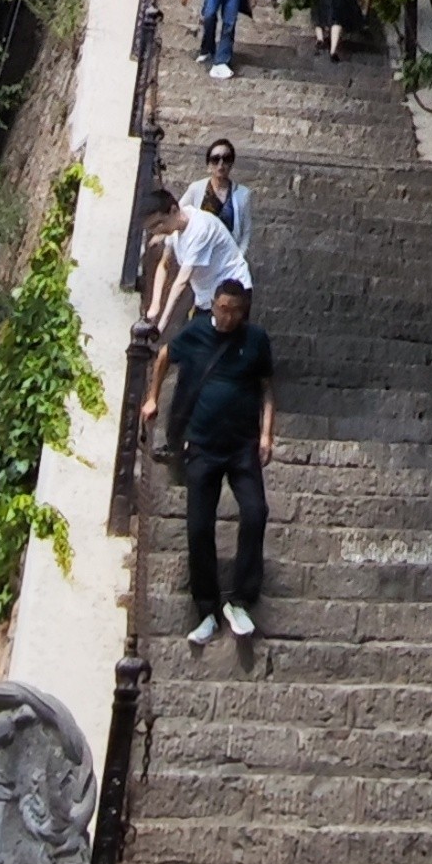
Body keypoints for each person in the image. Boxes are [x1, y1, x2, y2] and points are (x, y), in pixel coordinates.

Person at [176, 275, 276, 644]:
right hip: (202, 445)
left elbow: (267, 389)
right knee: (199, 525)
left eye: (235, 311)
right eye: (222, 309)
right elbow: (165, 357)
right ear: (213, 305)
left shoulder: (256, 341)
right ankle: (206, 608)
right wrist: (152, 398)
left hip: (242, 447)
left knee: (255, 511)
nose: (228, 317)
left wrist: (266, 434)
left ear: (244, 311)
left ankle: (241, 600)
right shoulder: (196, 332)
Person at [140, 187, 251, 467]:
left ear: (174, 210)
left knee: (213, 368)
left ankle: (213, 443)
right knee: (189, 366)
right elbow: (165, 266)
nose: (158, 230)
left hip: (232, 297)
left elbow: (180, 282)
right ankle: (175, 443)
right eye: (152, 227)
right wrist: (153, 307)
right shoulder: (175, 230)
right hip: (206, 300)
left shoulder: (199, 228)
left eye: (159, 224)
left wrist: (162, 324)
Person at [189, 136, 252, 260]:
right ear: (209, 164)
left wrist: (238, 258)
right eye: (215, 159)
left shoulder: (242, 194)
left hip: (228, 260)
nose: (221, 164)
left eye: (226, 159)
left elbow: (246, 232)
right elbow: (179, 215)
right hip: (200, 259)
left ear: (231, 163)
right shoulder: (196, 189)